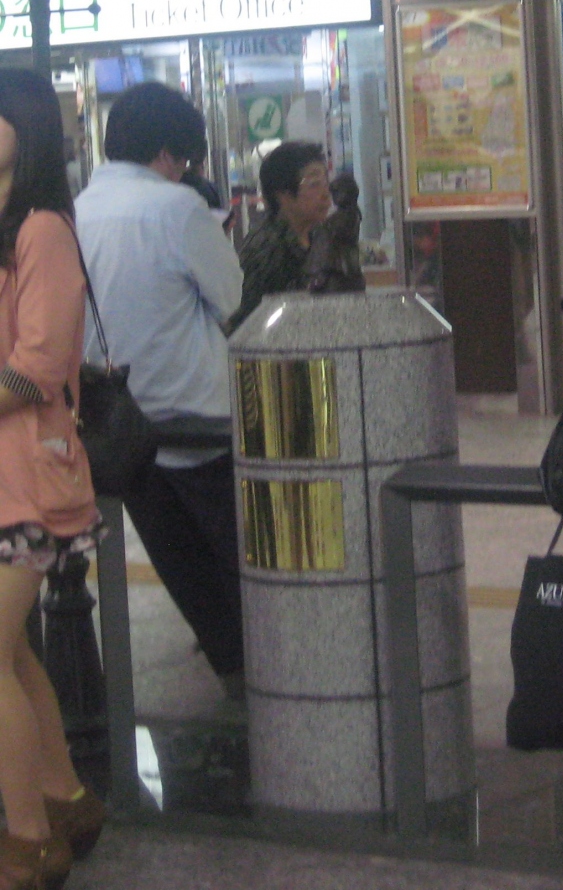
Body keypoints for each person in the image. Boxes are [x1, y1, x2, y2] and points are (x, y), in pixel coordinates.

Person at [74, 82, 245, 695]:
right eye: (185, 159)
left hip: (124, 428)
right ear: (169, 153)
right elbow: (230, 296)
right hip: (199, 420)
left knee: (181, 566)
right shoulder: (177, 208)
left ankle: (230, 670)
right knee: (240, 560)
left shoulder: (76, 211)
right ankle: (268, 677)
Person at [0, 69, 105, 890]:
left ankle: (30, 843)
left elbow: (36, 367)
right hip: (9, 477)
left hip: (31, 478)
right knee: (13, 654)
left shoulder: (41, 228)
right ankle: (64, 800)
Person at [228, 140, 331, 332]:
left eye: (326, 182)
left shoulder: (320, 235)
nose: (326, 194)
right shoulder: (265, 249)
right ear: (283, 194)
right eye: (314, 184)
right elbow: (243, 324)